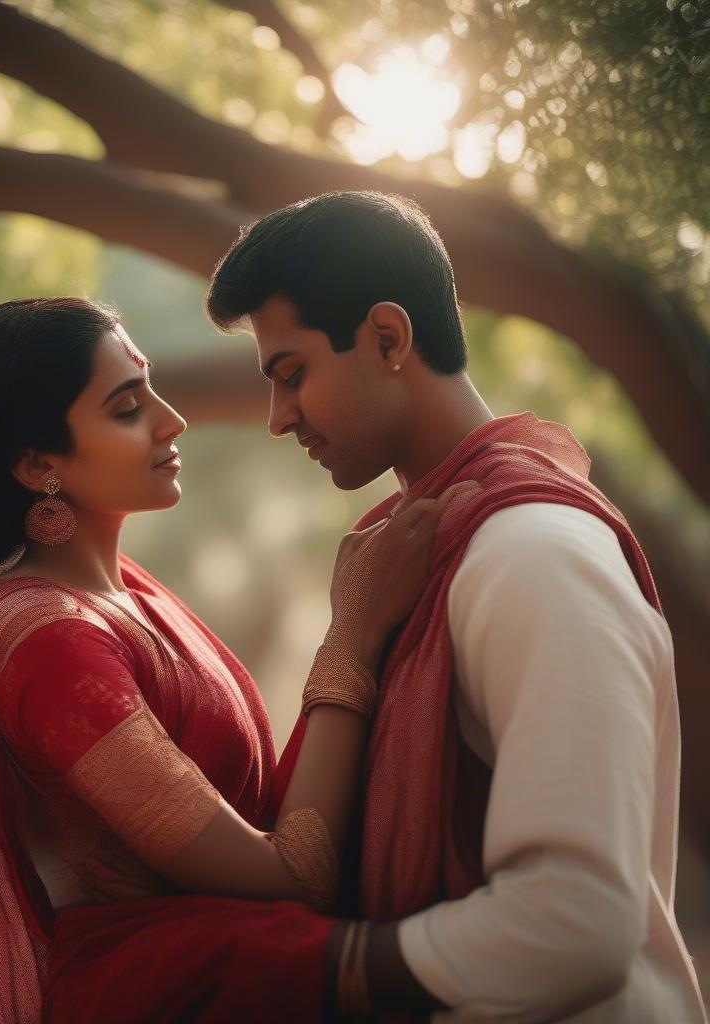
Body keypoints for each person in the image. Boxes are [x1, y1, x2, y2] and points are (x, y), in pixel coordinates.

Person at [205, 189, 708, 1022]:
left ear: (389, 338)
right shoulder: (416, 556)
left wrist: (313, 971)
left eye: (292, 374)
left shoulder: (535, 556)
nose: (277, 417)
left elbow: (576, 921)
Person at [0, 296, 470, 1023]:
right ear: (38, 462)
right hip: (165, 998)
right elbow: (292, 878)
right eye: (126, 407)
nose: (172, 420)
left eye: (151, 388)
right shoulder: (47, 641)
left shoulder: (124, 597)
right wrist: (353, 636)